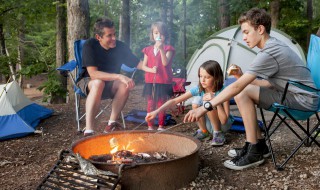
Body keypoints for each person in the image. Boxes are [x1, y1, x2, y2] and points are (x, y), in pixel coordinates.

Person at [183, 7, 319, 170]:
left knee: (242, 92)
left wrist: (205, 107)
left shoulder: (269, 52)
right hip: (294, 95)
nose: (244, 37)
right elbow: (267, 84)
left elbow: (239, 87)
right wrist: (241, 77)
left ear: (260, 29)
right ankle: (258, 144)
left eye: (246, 32)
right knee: (244, 91)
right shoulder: (273, 46)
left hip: (303, 102)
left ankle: (254, 150)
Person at [79, 18, 143, 136]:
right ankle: (89, 130)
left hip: (111, 84)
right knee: (99, 83)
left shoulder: (120, 47)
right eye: (109, 35)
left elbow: (139, 64)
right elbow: (93, 74)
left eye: (114, 34)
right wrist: (119, 76)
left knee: (125, 84)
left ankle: (111, 124)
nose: (114, 38)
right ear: (99, 37)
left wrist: (156, 66)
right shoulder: (90, 45)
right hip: (89, 82)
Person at [146, 60, 233, 146]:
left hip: (222, 125)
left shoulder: (224, 91)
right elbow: (175, 101)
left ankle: (218, 134)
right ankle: (204, 132)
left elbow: (224, 120)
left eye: (207, 77)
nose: (202, 80)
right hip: (209, 123)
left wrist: (215, 101)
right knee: (197, 101)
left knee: (207, 101)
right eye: (200, 76)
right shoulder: (199, 89)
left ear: (216, 77)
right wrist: (156, 111)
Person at [141, 21, 175, 131]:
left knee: (161, 103)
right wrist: (151, 70)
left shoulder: (168, 49)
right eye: (156, 33)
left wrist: (161, 49)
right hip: (150, 81)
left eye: (161, 34)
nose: (158, 36)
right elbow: (143, 66)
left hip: (163, 81)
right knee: (150, 103)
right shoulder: (147, 50)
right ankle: (150, 125)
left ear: (165, 35)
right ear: (152, 35)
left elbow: (165, 63)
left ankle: (161, 125)